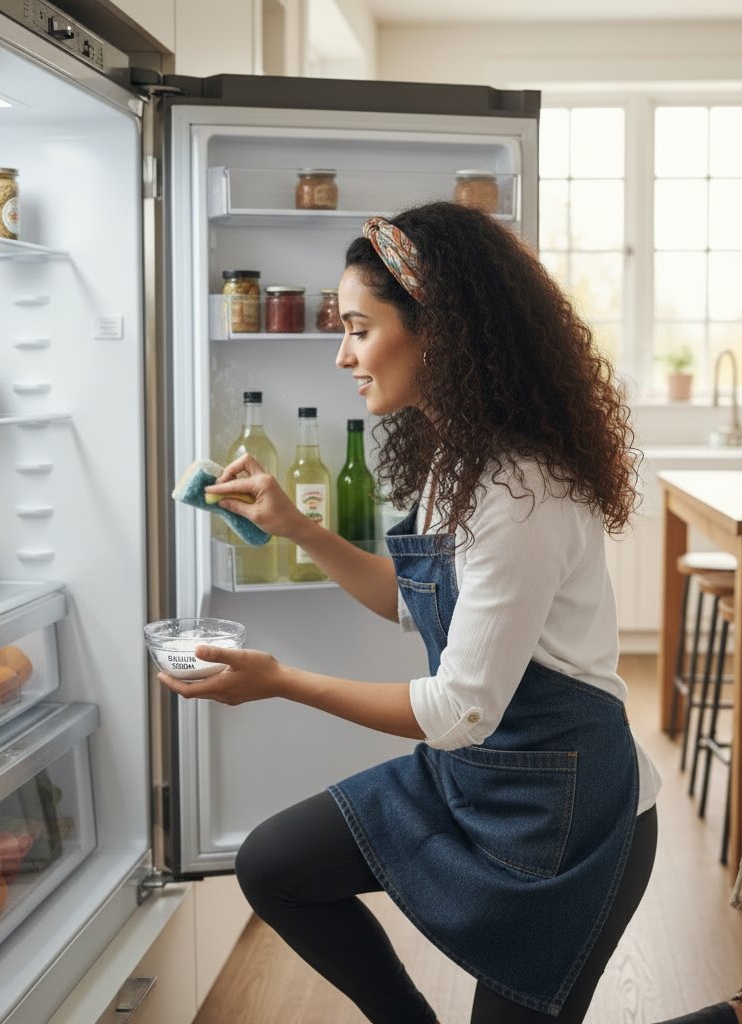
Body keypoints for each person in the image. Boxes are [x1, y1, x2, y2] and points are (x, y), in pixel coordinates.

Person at [156, 200, 707, 1023]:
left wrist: (279, 681)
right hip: (479, 775)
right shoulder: (458, 456)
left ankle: (736, 1016)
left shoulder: (521, 491)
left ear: (438, 333)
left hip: (569, 816)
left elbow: (459, 708)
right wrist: (295, 526)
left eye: (358, 327)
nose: (343, 354)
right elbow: (410, 604)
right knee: (273, 865)